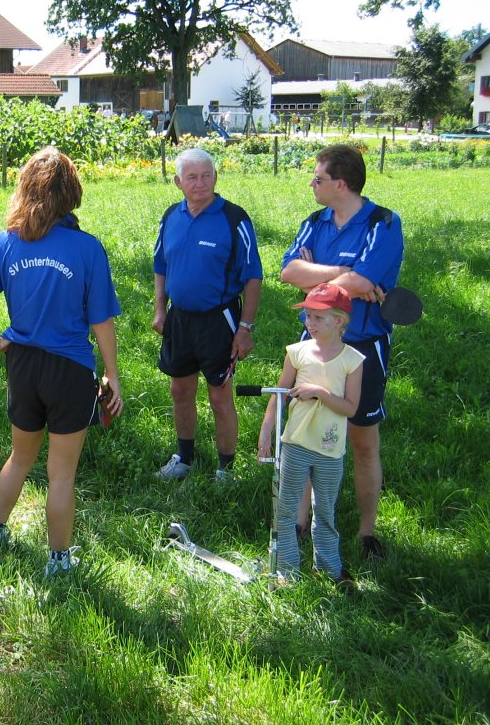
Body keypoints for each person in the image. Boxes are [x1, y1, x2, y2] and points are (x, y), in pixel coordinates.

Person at [0, 147, 122, 577]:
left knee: (19, 457)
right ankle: (59, 561)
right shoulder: (87, 249)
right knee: (61, 474)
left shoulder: (7, 242)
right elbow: (101, 321)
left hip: (23, 366)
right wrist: (112, 375)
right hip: (69, 371)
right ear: (71, 193)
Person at [280, 143, 404, 559]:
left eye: (318, 178)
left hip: (364, 347)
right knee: (306, 436)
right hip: (314, 345)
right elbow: (289, 271)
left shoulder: (383, 224)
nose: (311, 184)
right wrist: (343, 276)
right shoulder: (314, 222)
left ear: (341, 184)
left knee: (363, 441)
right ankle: (302, 522)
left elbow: (360, 278)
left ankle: (366, 533)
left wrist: (317, 278)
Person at [152, 148, 262, 481]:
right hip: (179, 319)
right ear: (177, 182)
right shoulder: (171, 216)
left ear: (216, 177)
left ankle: (225, 468)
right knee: (180, 391)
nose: (200, 183)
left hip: (220, 320)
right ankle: (184, 458)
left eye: (207, 175)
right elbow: (160, 266)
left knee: (219, 394)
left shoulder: (234, 218)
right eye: (192, 177)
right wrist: (160, 309)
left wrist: (245, 328)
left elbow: (253, 276)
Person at [257, 284, 363, 582]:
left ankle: (329, 568)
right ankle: (286, 571)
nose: (309, 323)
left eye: (318, 317)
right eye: (307, 315)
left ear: (339, 321)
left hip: (330, 448)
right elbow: (279, 395)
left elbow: (350, 408)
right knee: (286, 510)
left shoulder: (352, 361)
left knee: (324, 512)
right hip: (295, 443)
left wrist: (319, 392)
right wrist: (266, 432)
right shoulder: (297, 352)